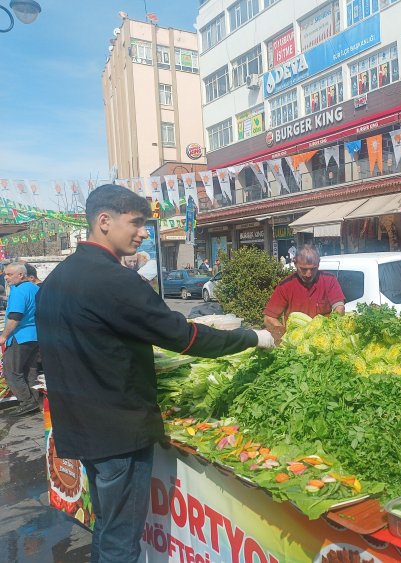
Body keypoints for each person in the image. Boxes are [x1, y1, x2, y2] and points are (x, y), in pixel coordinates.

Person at [36, 184, 276, 562]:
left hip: (80, 426)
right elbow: (184, 336)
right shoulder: (114, 280)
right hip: (118, 432)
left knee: (106, 529)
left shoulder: (55, 280)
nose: (145, 233)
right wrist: (252, 338)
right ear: (104, 221)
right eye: (136, 223)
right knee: (120, 542)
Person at [264, 245, 345, 331]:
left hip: (323, 337)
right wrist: (284, 338)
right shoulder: (285, 286)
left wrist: (328, 330)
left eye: (313, 269)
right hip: (295, 342)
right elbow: (269, 318)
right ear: (295, 263)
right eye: (303, 269)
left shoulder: (329, 280)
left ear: (318, 264)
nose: (308, 274)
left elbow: (340, 308)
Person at [1, 262, 41, 416]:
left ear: (21, 275)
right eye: (5, 274)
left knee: (11, 371)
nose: (6, 277)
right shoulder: (35, 288)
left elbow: (15, 316)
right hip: (35, 336)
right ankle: (35, 401)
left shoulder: (18, 290)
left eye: (9, 274)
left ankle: (27, 402)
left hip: (21, 336)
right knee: (30, 371)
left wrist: (4, 336)